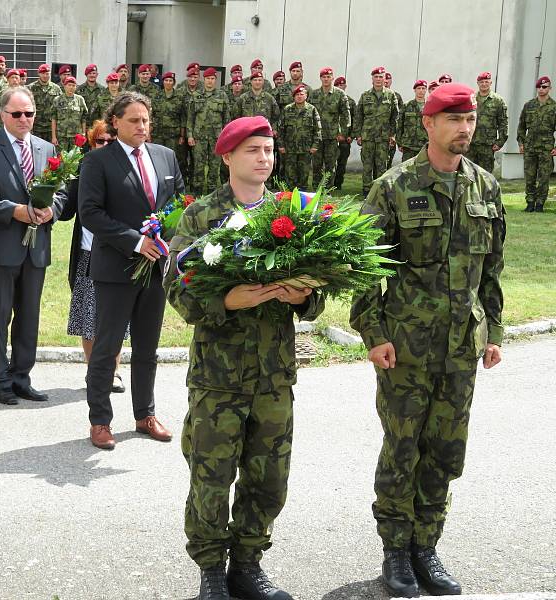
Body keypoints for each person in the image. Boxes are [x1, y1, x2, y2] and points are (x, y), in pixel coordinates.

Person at [350, 83, 505, 598]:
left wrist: (494, 331)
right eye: (454, 119)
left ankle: (426, 548)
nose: (464, 128)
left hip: (461, 345)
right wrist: (373, 333)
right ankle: (396, 551)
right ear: (428, 124)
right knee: (403, 449)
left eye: (471, 120)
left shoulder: (485, 187)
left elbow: (492, 270)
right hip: (406, 347)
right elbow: (367, 268)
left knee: (444, 451)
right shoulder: (393, 186)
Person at [165, 116, 324, 600]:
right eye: (254, 150)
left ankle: (248, 565)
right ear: (228, 156)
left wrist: (302, 298)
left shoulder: (290, 214)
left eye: (269, 150)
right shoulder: (201, 215)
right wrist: (228, 301)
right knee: (211, 475)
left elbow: (319, 292)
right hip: (219, 376)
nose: (264, 159)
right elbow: (177, 288)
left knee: (269, 477)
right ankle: (212, 570)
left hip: (274, 375)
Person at [79, 91, 184, 450]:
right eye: (134, 120)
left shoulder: (165, 156)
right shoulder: (98, 161)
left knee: (147, 347)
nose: (142, 126)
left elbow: (179, 203)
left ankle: (145, 415)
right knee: (107, 348)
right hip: (116, 268)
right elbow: (91, 212)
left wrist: (168, 240)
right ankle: (100, 421)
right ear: (116, 123)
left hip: (156, 268)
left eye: (146, 120)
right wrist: (136, 242)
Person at [0, 87, 65, 404]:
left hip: (37, 248)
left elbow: (61, 192)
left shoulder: (47, 149)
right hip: (1, 247)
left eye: (29, 113)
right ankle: (0, 380)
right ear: (2, 114)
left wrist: (53, 210)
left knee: (29, 316)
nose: (24, 119)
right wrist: (13, 210)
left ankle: (22, 376)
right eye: (17, 114)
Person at [61, 120, 125, 394]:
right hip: (88, 253)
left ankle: (114, 371)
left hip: (118, 252)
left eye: (111, 141)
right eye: (101, 141)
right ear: (91, 143)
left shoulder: (126, 168)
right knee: (89, 318)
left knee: (116, 317)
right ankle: (93, 371)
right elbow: (66, 208)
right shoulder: (84, 167)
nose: (106, 146)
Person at [353, 66, 399, 197]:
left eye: (381, 77)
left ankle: (379, 190)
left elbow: (395, 116)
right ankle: (367, 190)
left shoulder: (391, 95)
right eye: (376, 77)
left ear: (384, 79)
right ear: (372, 79)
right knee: (367, 165)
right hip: (367, 136)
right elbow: (358, 116)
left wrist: (393, 135)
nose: (378, 79)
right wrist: (358, 135)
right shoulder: (365, 95)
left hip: (383, 137)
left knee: (382, 165)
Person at [187, 68, 230, 194]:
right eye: (207, 79)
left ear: (215, 80)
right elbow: (190, 118)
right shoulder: (196, 96)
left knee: (214, 167)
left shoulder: (222, 95)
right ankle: (196, 195)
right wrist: (190, 135)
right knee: (198, 167)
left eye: (212, 79)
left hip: (216, 138)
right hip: (199, 137)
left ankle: (212, 193)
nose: (210, 81)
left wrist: (226, 137)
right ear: (203, 79)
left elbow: (227, 118)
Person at [517, 75, 556, 212]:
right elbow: (521, 126)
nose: (541, 89)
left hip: (546, 148)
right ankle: (530, 203)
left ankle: (540, 204)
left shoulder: (554, 107)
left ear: (549, 88)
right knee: (530, 177)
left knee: (544, 177)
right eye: (539, 87)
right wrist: (521, 143)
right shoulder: (529, 105)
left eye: (544, 87)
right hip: (530, 147)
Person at [308, 67, 350, 187]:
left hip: (332, 136)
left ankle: (328, 189)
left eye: (328, 77)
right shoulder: (314, 94)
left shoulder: (340, 94)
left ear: (332, 78)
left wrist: (343, 133)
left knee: (330, 165)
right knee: (316, 165)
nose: (326, 79)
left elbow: (346, 116)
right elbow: (309, 113)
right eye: (324, 77)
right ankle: (316, 188)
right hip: (317, 136)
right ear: (320, 78)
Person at [278, 84, 321, 190]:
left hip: (306, 148)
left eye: (302, 94)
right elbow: (281, 129)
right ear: (294, 96)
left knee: (304, 173)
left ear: (306, 96)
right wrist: (281, 145)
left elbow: (318, 129)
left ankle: (302, 193)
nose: (299, 96)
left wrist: (315, 145)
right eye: (297, 94)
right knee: (290, 173)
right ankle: (290, 194)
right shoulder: (287, 109)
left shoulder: (312, 109)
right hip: (290, 148)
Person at [466, 71, 508, 175]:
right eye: (481, 82)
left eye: (486, 81)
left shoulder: (498, 100)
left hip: (487, 145)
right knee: (468, 173)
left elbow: (503, 122)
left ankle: (485, 192)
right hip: (471, 143)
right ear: (477, 83)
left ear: (490, 83)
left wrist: (500, 141)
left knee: (485, 175)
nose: (484, 84)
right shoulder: (472, 99)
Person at [51, 76, 88, 149]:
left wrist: (83, 134)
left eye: (73, 85)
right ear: (64, 86)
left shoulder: (80, 99)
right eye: (69, 85)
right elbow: (53, 118)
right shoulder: (57, 100)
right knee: (61, 158)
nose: (71, 87)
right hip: (61, 136)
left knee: (75, 158)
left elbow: (83, 118)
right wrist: (54, 137)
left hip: (76, 137)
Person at [333, 76, 357, 189]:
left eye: (342, 85)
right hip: (332, 137)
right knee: (330, 162)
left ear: (345, 86)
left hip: (345, 138)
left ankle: (338, 184)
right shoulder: (331, 99)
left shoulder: (350, 102)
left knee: (342, 163)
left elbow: (355, 119)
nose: (340, 87)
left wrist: (351, 136)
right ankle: (328, 184)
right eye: (338, 85)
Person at [397, 80, 429, 162]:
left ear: (426, 90)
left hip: (424, 144)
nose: (421, 91)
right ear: (414, 90)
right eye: (419, 88)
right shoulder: (407, 106)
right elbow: (400, 125)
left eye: (423, 88)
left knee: (423, 170)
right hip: (408, 145)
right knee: (407, 170)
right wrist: (399, 143)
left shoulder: (429, 106)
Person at [151, 71, 183, 154]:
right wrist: (148, 132)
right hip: (157, 134)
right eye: (166, 80)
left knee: (170, 157)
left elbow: (183, 117)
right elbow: (151, 115)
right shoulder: (156, 95)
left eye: (170, 80)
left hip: (172, 135)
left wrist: (182, 136)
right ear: (163, 81)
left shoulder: (179, 96)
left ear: (174, 82)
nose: (168, 82)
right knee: (157, 156)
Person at [28, 63, 61, 141]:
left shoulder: (56, 88)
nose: (45, 76)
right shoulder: (31, 87)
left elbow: (60, 107)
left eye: (47, 73)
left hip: (51, 128)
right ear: (39, 74)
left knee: (50, 151)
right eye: (43, 73)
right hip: (36, 127)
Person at [384, 72, 404, 169]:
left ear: (391, 81)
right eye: (385, 79)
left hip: (391, 133)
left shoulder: (396, 96)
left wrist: (395, 134)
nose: (386, 81)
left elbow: (399, 116)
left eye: (388, 80)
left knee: (388, 159)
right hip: (376, 133)